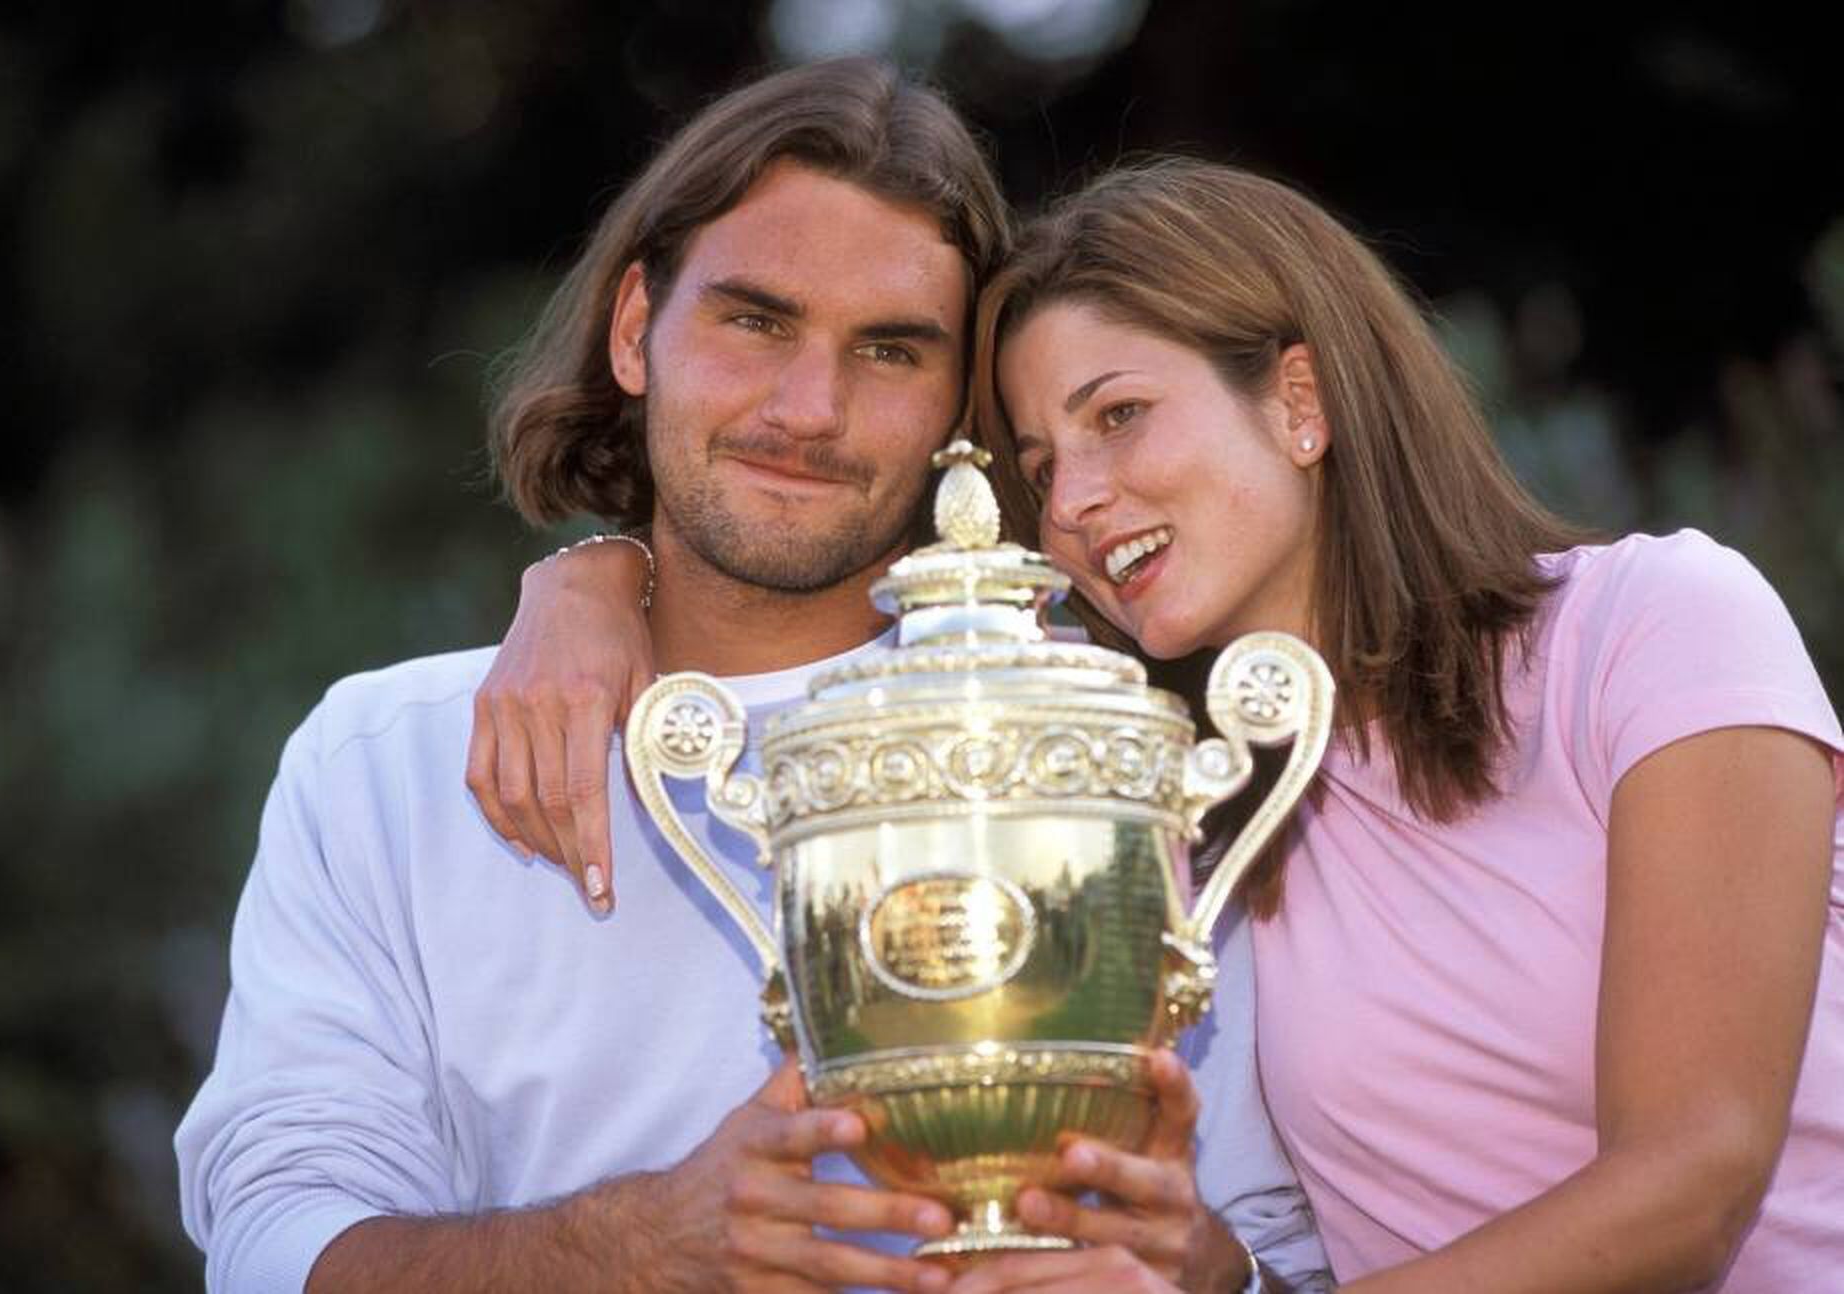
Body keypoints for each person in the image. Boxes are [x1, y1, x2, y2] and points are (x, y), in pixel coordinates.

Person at [474, 156, 1844, 1292]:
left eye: (1119, 415)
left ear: (1299, 403)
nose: (1074, 501)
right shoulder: (1144, 784)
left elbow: (1694, 1180)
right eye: (1041, 463)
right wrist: (598, 578)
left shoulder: (1652, 626)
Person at [177, 60, 1330, 1294]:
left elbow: (1275, 1249)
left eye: (890, 350)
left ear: (958, 401)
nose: (809, 406)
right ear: (635, 331)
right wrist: (624, 1249)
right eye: (756, 319)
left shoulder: (1097, 753)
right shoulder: (386, 762)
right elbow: (271, 1242)